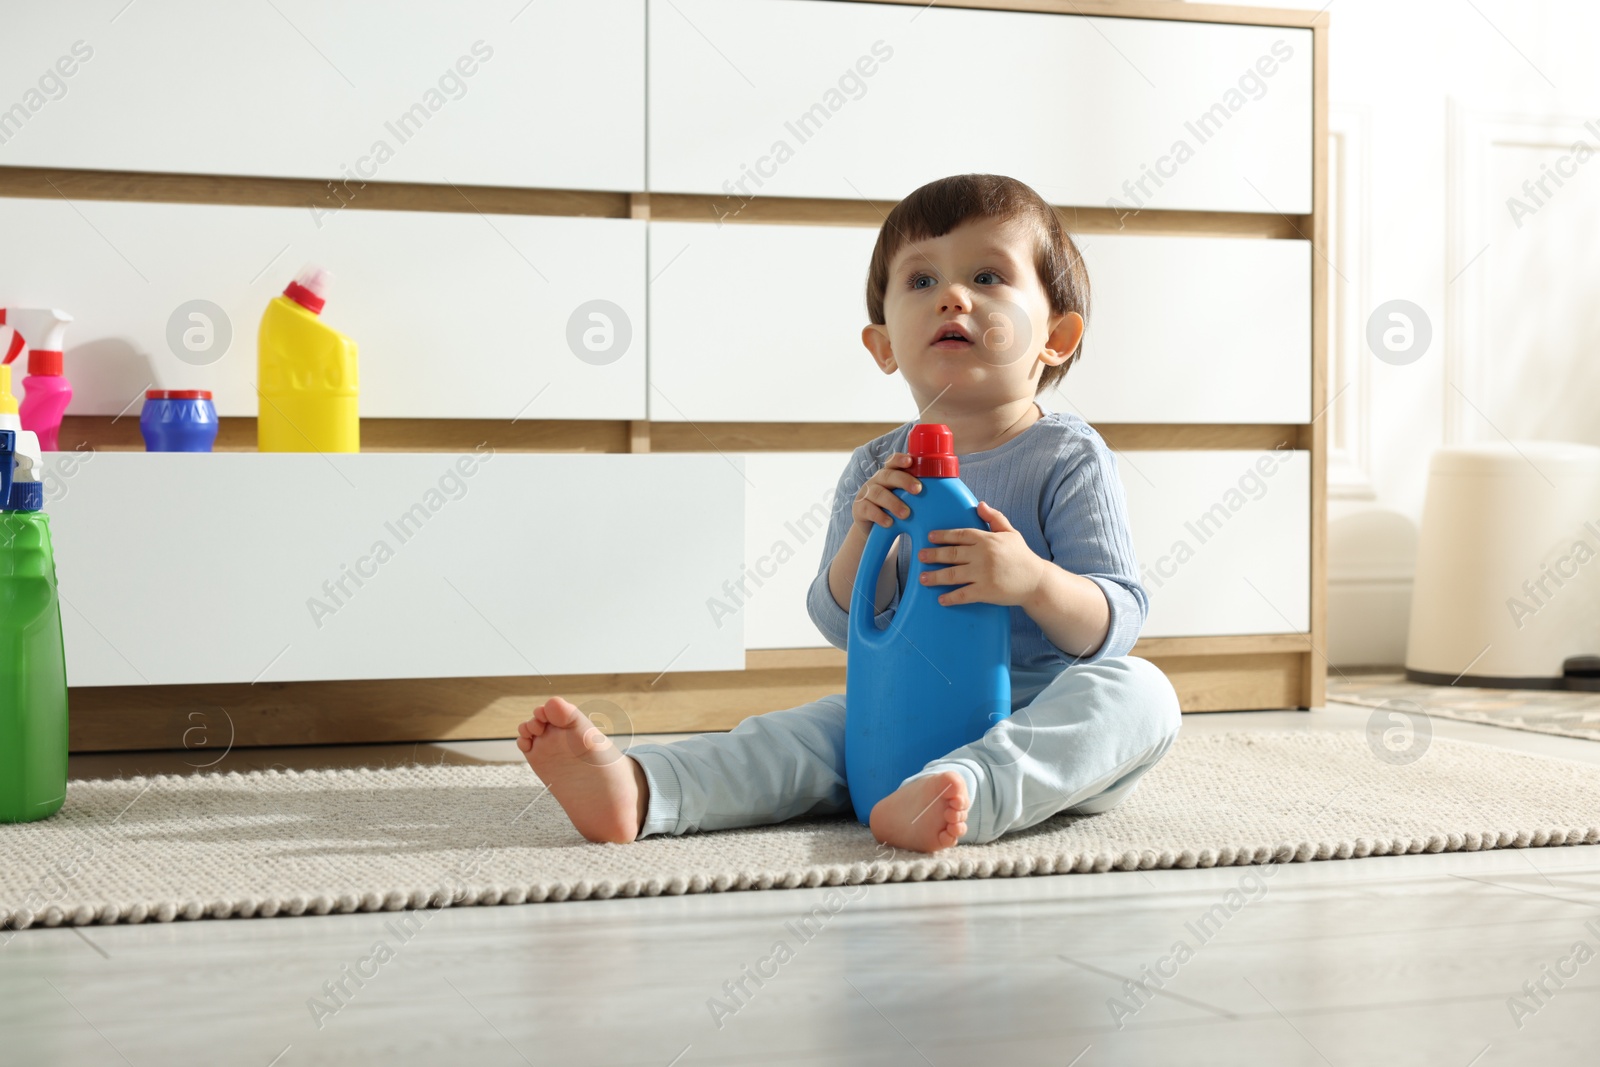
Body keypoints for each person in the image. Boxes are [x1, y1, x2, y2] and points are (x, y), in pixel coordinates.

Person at [517, 173, 1181, 853]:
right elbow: (840, 622)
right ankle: (646, 787)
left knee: (1142, 694)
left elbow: (1115, 622)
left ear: (1056, 337)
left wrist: (1033, 580)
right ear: (884, 345)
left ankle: (970, 789)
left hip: (1041, 704)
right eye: (921, 282)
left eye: (987, 276)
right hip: (904, 703)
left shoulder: (1068, 455)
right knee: (799, 734)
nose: (953, 296)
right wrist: (867, 534)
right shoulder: (876, 471)